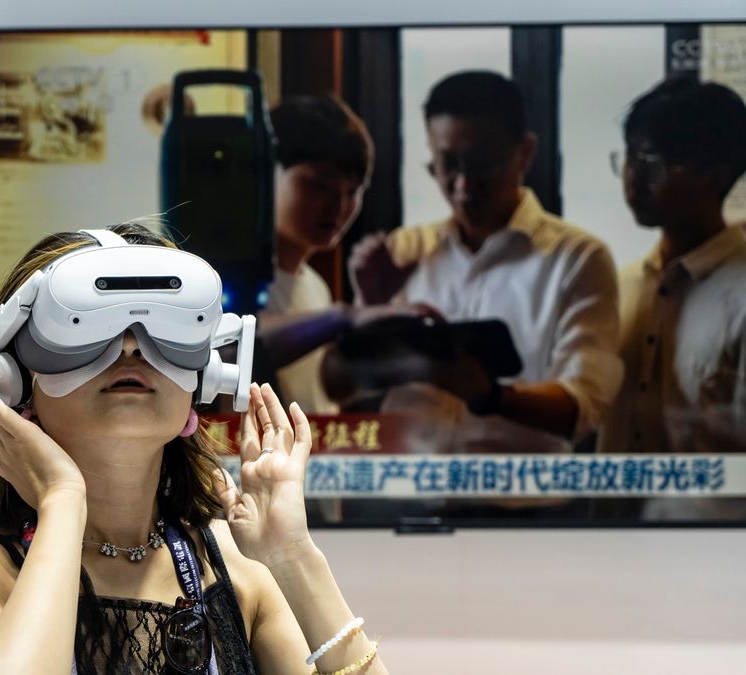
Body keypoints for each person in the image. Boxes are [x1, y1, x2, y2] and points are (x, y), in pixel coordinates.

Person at [0, 223, 389, 674]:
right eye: (84, 326)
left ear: (205, 378)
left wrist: (291, 556)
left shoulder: (237, 567)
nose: (130, 346)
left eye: (164, 326)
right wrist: (61, 497)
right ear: (12, 381)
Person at [344, 70, 623, 460]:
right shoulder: (405, 251)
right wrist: (370, 310)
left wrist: (489, 396)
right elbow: (345, 390)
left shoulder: (577, 260)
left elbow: (583, 406)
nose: (463, 186)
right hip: (403, 489)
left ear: (524, 152)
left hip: (517, 494)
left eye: (482, 164)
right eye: (447, 164)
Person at [597, 79, 746, 520]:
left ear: (714, 173)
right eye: (629, 158)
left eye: (654, 163)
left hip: (711, 546)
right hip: (604, 542)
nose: (634, 178)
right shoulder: (617, 286)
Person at [259, 95, 434, 416]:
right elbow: (236, 348)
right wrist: (345, 316)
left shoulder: (314, 285)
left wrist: (370, 308)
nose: (339, 206)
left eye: (353, 191)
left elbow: (327, 388)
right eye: (319, 185)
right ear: (266, 172)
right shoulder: (226, 278)